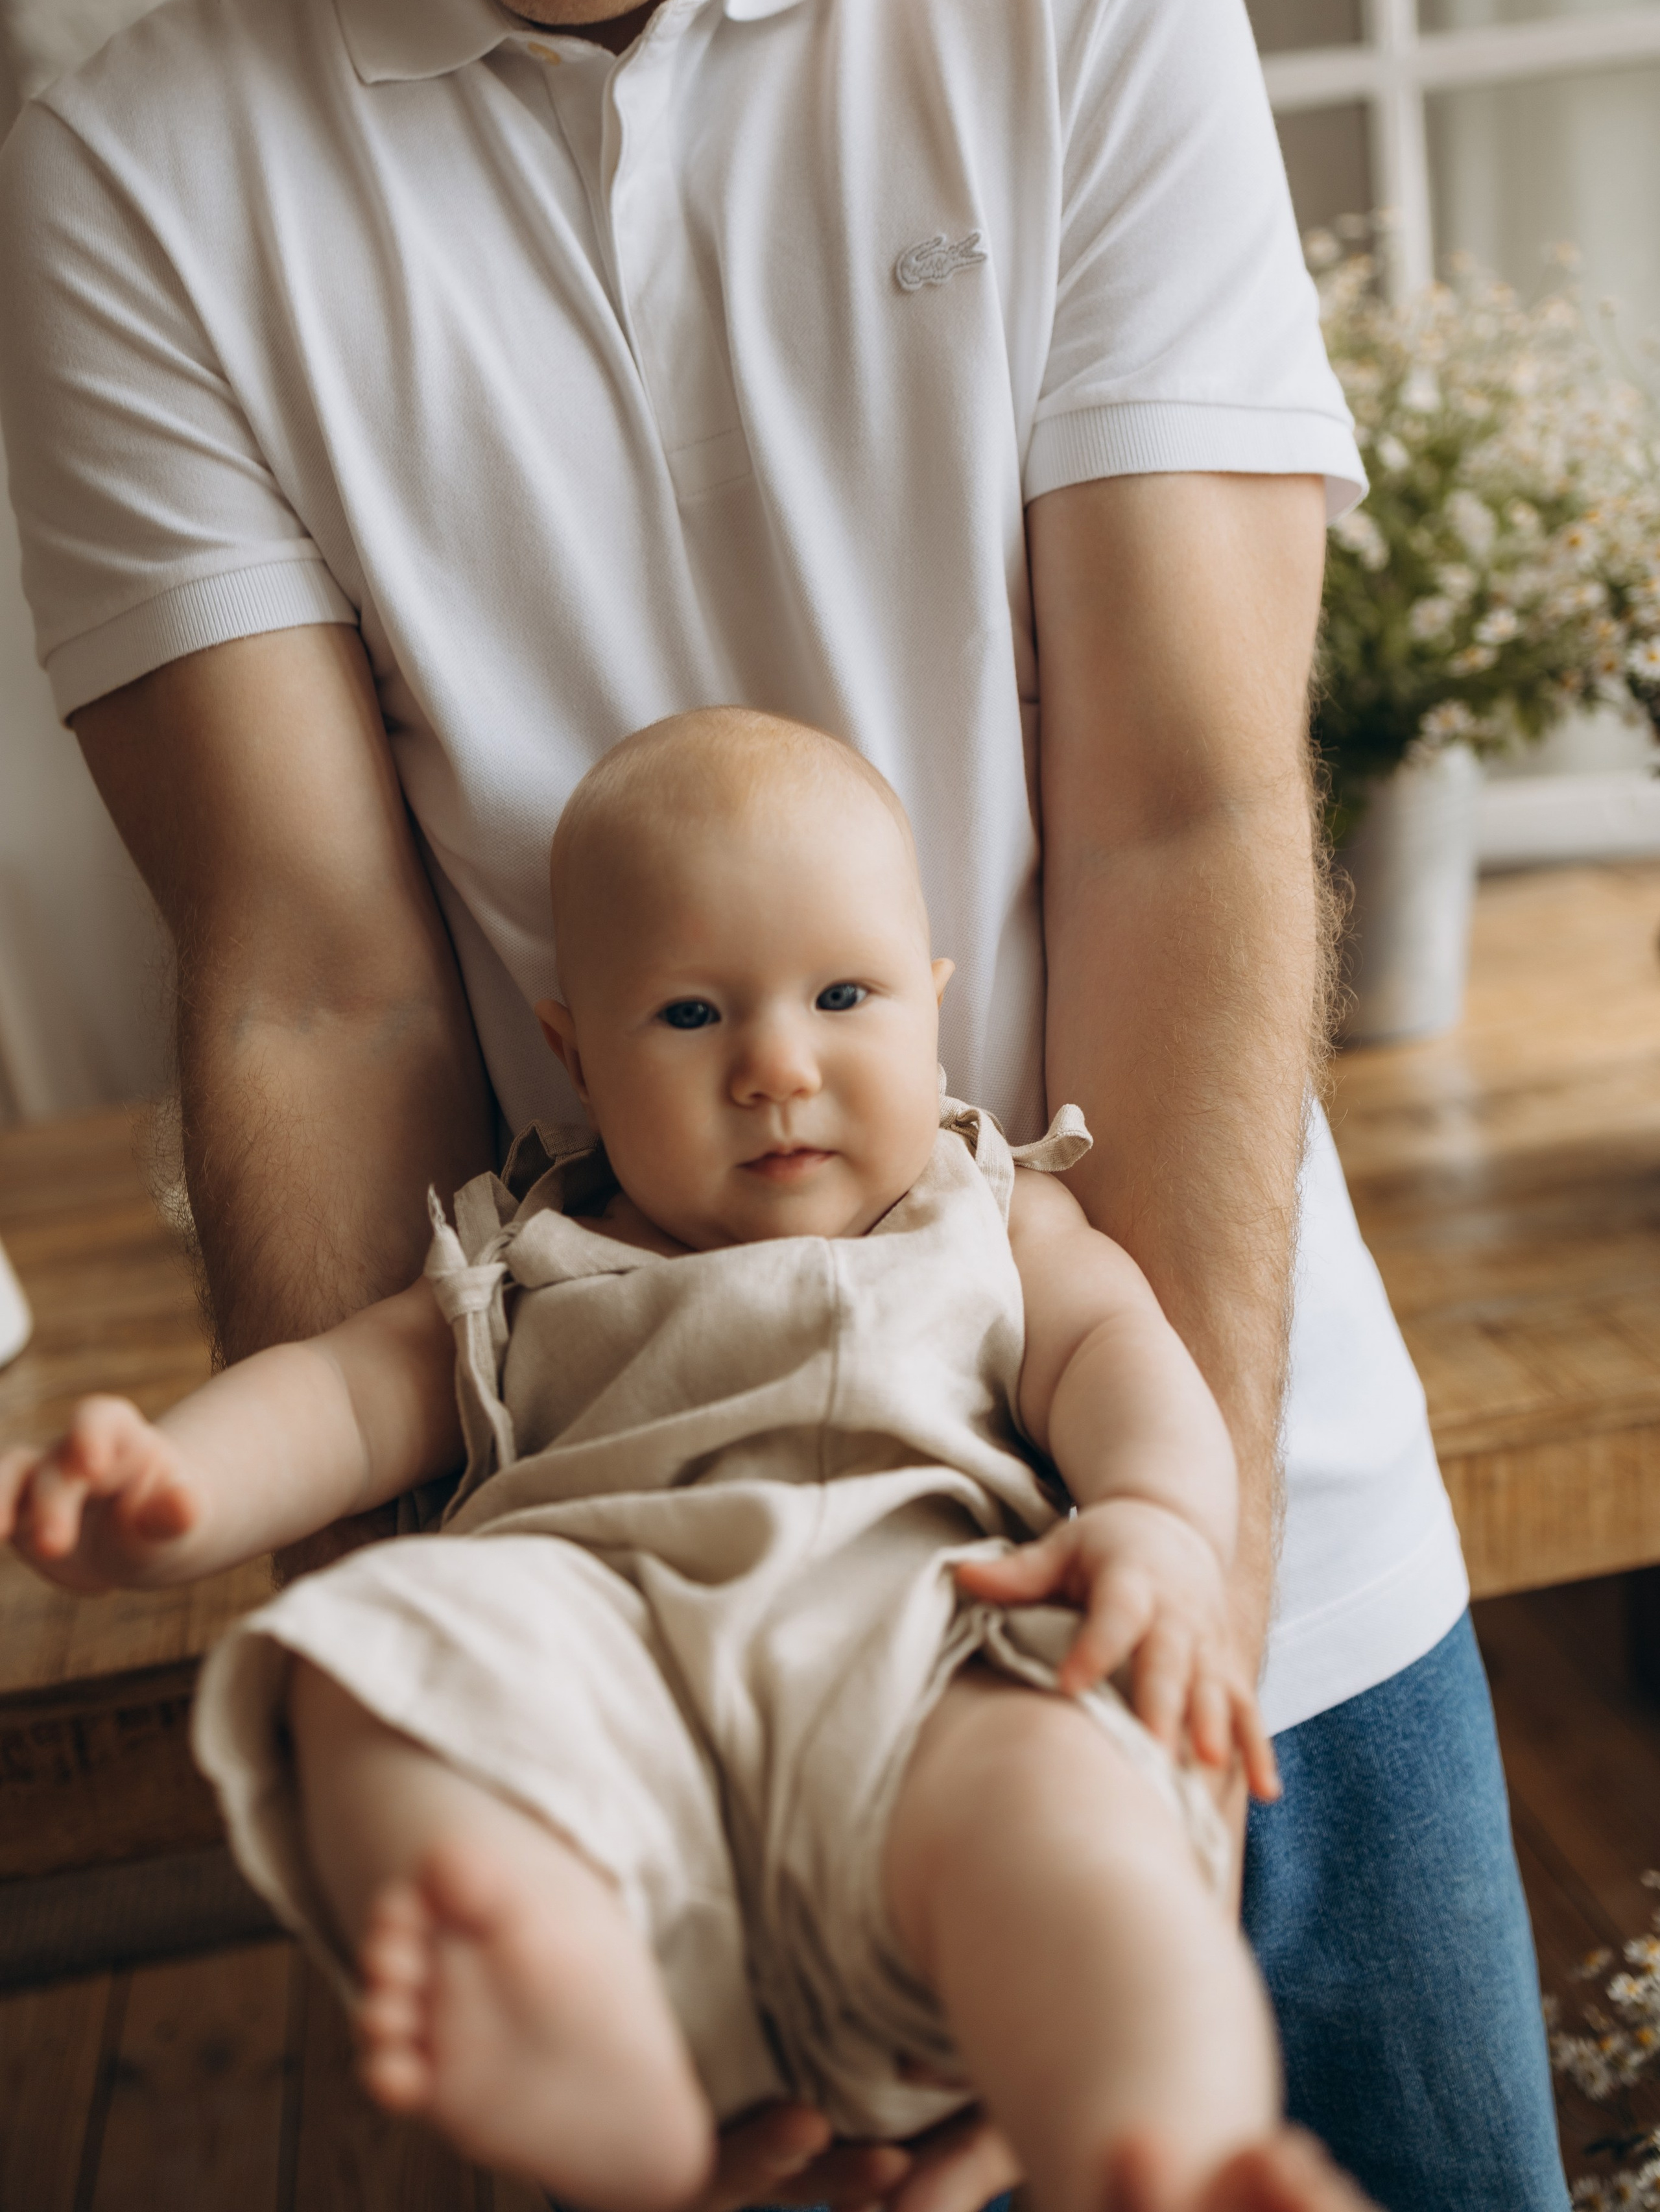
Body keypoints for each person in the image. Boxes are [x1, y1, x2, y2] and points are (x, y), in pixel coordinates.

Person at [0, 0, 1566, 2206]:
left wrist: (1170, 1656)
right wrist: (552, 1809)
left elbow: (1185, 827)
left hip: (1219, 1543)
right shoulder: (141, 182)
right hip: (623, 1631)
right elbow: (313, 990)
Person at [3, 708, 1384, 2212]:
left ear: (931, 1005)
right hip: (604, 1682)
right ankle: (585, 2033)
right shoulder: (527, 1252)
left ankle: (1160, 2148)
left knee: (1070, 1828)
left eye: (843, 995)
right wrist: (174, 1495)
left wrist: (1160, 1519)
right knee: (361, 1655)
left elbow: (1118, 1357)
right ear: (573, 1054)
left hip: (927, 1663)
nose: (774, 1067)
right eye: (686, 1017)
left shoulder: (982, 1208)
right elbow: (338, 1404)